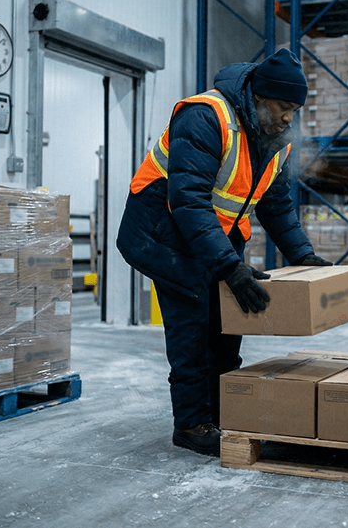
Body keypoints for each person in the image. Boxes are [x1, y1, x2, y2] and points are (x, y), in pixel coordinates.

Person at [116, 48, 332, 457]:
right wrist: (230, 267)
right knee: (193, 333)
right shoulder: (205, 117)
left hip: (214, 235)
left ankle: (222, 412)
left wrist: (302, 256)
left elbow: (276, 204)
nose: (289, 118)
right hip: (166, 235)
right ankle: (193, 425)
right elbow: (188, 201)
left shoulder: (275, 140)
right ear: (258, 96)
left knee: (226, 331)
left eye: (295, 110)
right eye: (283, 107)